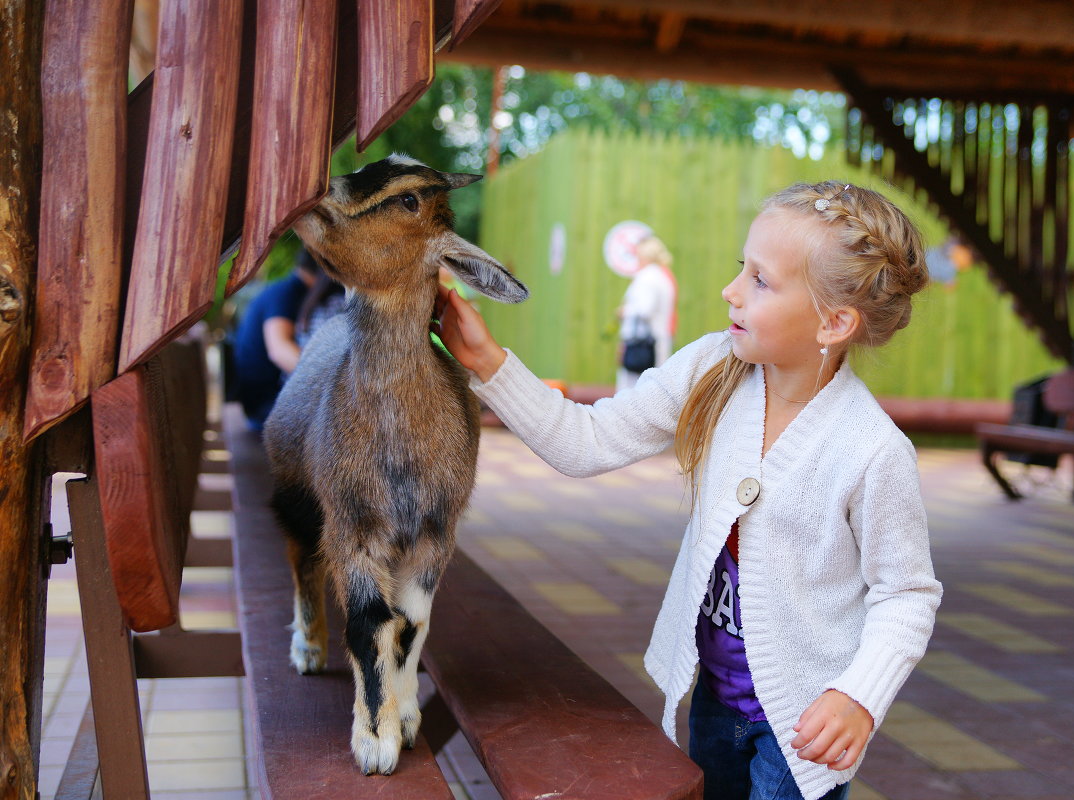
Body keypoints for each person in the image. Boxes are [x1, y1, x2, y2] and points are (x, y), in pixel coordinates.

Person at [433, 181, 941, 800]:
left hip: (803, 726)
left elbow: (906, 593)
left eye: (760, 279)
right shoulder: (712, 370)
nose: (730, 291)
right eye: (740, 268)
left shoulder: (871, 450)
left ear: (834, 322)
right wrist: (488, 361)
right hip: (713, 701)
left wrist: (858, 695)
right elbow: (585, 441)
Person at [232, 249, 321, 431]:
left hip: (264, 403)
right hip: (266, 406)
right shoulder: (286, 294)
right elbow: (279, 350)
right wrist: (329, 381)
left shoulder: (285, 290)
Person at [616, 234, 678, 392]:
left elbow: (644, 309)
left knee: (632, 390)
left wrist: (625, 311)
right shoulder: (661, 276)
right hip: (656, 341)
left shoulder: (647, 277)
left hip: (642, 345)